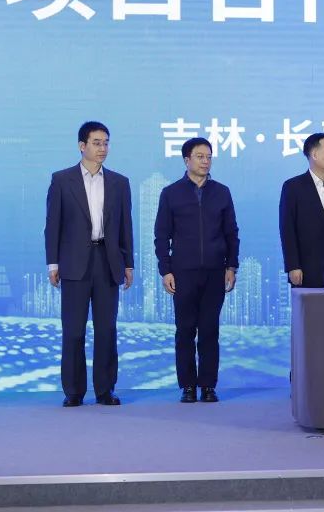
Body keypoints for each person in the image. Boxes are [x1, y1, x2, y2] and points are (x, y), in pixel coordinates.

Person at [44, 121, 134, 408]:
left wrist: (128, 264)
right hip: (73, 263)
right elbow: (52, 225)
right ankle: (73, 391)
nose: (102, 148)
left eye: (106, 142)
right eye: (96, 142)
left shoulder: (120, 182)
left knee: (107, 330)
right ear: (82, 146)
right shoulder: (62, 180)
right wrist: (52, 264)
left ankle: (105, 390)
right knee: (74, 331)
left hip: (107, 261)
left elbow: (126, 227)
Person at [154, 137, 239, 404]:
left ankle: (208, 386)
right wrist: (165, 270)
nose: (205, 161)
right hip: (183, 272)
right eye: (200, 156)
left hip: (215, 271)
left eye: (209, 157)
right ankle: (188, 386)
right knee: (185, 330)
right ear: (186, 160)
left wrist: (231, 265)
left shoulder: (222, 192)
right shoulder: (171, 193)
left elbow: (231, 232)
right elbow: (161, 235)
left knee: (210, 330)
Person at [279, 132, 324, 289]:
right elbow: (287, 229)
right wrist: (293, 266)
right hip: (307, 267)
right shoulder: (293, 187)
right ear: (314, 154)